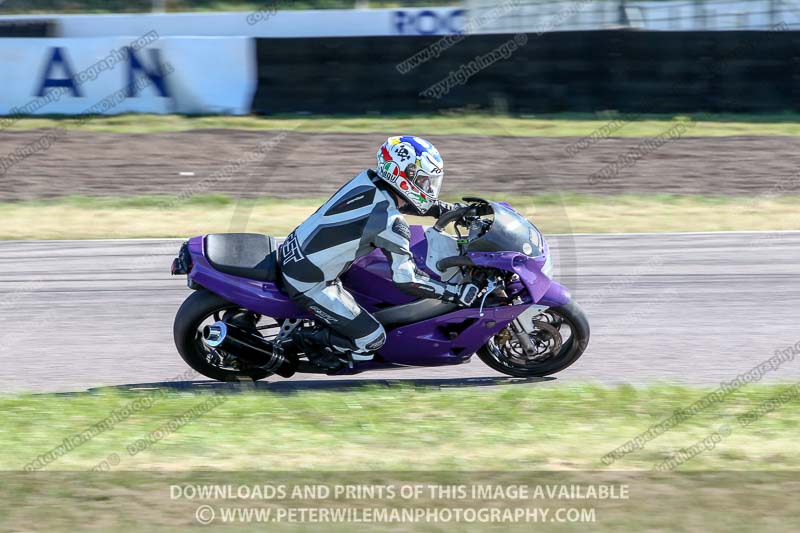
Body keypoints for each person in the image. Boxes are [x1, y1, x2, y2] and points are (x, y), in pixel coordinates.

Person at [278, 136, 480, 365]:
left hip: (295, 250)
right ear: (402, 176)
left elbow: (403, 204)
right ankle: (305, 343)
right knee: (372, 339)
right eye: (424, 181)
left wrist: (448, 209)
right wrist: (454, 293)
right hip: (310, 281)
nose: (429, 188)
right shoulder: (391, 223)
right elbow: (407, 279)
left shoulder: (367, 180)